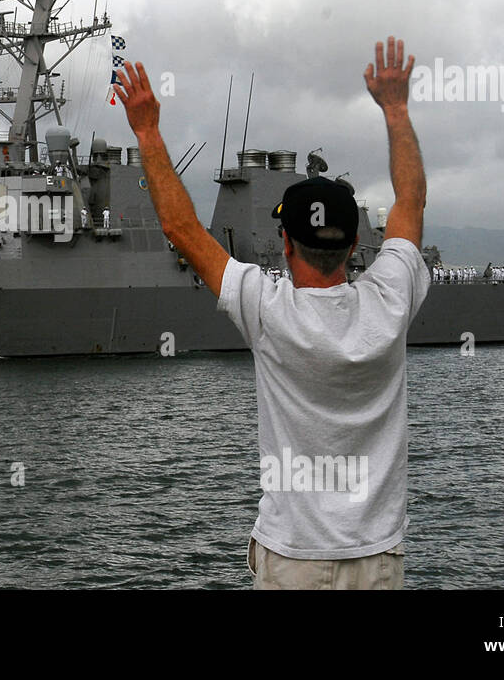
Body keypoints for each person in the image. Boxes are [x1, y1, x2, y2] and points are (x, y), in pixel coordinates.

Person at [116, 37, 428, 589]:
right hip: (377, 559)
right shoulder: (392, 298)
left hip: (292, 558)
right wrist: (396, 109)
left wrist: (146, 130)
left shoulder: (265, 306)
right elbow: (411, 203)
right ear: (357, 245)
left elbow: (181, 231)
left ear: (285, 244)